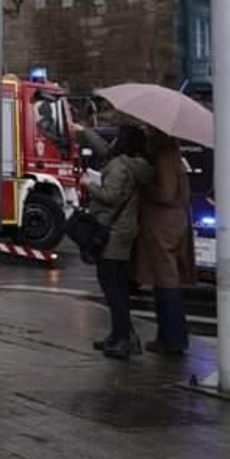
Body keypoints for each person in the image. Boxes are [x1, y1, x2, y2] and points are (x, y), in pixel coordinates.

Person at [85, 124, 154, 360]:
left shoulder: (118, 166)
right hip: (126, 228)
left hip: (112, 230)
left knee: (111, 285)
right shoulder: (139, 167)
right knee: (118, 285)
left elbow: (111, 197)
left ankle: (124, 338)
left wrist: (89, 186)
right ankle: (119, 335)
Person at [132, 130, 195, 355]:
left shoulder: (163, 157)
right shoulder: (175, 156)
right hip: (175, 221)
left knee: (166, 280)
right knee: (167, 279)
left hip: (162, 224)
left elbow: (166, 193)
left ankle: (172, 338)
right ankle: (169, 337)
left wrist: (144, 187)